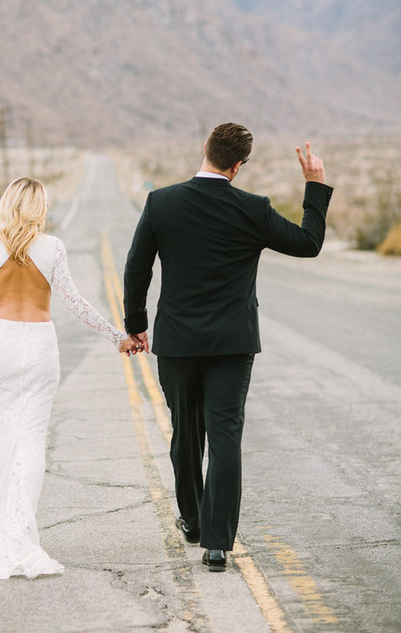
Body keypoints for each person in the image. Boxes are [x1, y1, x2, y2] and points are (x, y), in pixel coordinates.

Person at [123, 123, 333, 572]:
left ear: (206, 150)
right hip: (232, 344)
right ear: (238, 167)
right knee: (224, 438)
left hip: (177, 342)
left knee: (185, 431)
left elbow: (136, 267)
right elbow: (308, 243)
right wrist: (314, 187)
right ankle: (217, 545)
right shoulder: (253, 209)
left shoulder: (162, 202)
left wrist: (136, 325)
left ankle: (193, 521)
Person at [0, 177, 139, 580]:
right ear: (39, 208)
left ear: (7, 203)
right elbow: (76, 303)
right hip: (39, 347)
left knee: (6, 440)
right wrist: (117, 337)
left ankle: (11, 541)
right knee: (32, 440)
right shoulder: (52, 248)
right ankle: (23, 537)